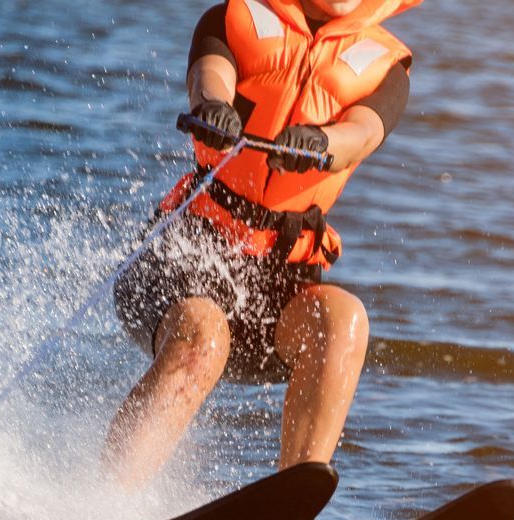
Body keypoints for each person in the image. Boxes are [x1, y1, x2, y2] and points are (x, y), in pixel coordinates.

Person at [106, 0, 419, 486]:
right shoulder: (232, 18)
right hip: (182, 263)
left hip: (275, 288)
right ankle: (110, 502)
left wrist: (323, 143)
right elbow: (209, 75)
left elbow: (362, 132)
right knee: (202, 334)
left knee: (342, 319)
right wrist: (212, 106)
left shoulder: (387, 69)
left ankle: (294, 512)